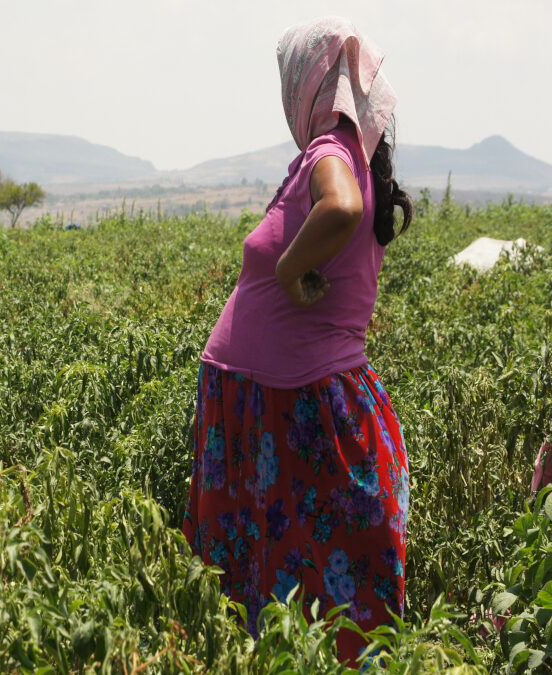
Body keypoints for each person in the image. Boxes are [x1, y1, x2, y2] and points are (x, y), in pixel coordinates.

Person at [182, 16, 413, 664]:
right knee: (310, 610)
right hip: (294, 411)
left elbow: (335, 210)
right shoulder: (358, 160)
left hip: (288, 418)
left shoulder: (330, 157)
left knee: (274, 613)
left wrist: (286, 269)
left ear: (306, 90)